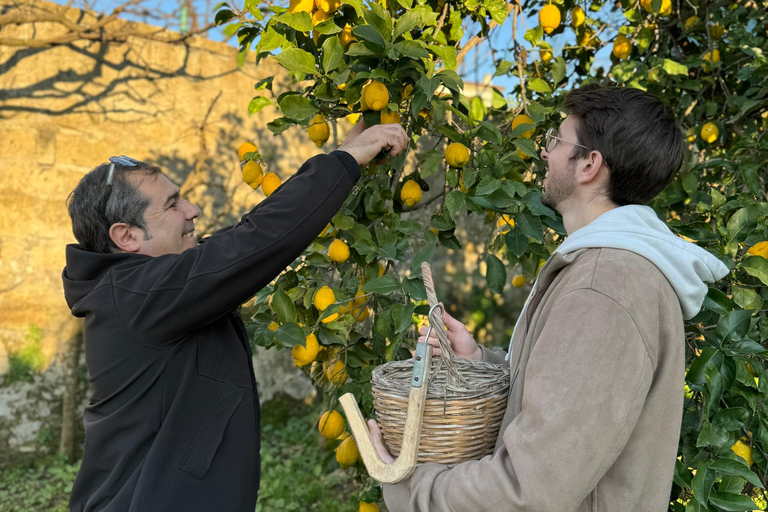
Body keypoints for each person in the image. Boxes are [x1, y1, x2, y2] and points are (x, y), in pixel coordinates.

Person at [369, 84, 729, 511]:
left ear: (589, 165)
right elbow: (570, 395)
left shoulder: (605, 286)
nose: (545, 153)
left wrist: (411, 482)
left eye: (556, 140)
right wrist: (481, 362)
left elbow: (529, 490)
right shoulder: (607, 270)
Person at [62, 121, 409, 512]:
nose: (193, 210)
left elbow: (245, 238)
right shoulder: (137, 296)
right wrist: (345, 161)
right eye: (173, 204)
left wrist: (341, 161)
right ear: (127, 237)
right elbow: (253, 243)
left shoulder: (145, 290)